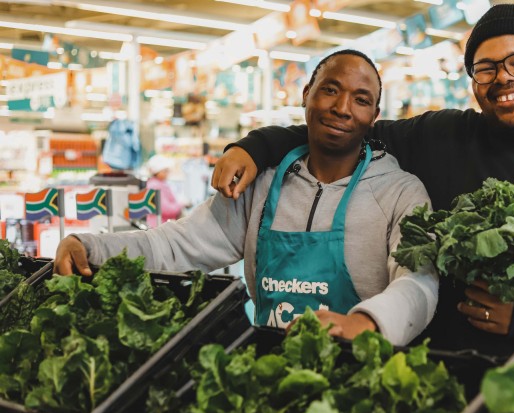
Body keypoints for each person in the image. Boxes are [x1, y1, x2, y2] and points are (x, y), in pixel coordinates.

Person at [209, 4, 514, 356]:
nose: (503, 78)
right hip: (437, 373)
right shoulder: (443, 136)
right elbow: (342, 127)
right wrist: (256, 147)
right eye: (486, 68)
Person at [55, 50, 437, 346]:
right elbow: (178, 244)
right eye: (331, 90)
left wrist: (367, 323)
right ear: (307, 95)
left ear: (374, 115)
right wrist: (92, 247)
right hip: (266, 375)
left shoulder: (401, 192)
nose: (341, 108)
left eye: (360, 99)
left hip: (360, 378)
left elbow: (418, 282)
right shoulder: (262, 184)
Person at [144, 154, 184, 227]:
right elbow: (166, 209)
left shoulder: (158, 184)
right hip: (158, 226)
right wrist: (181, 204)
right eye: (165, 170)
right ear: (157, 171)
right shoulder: (155, 186)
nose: (167, 173)